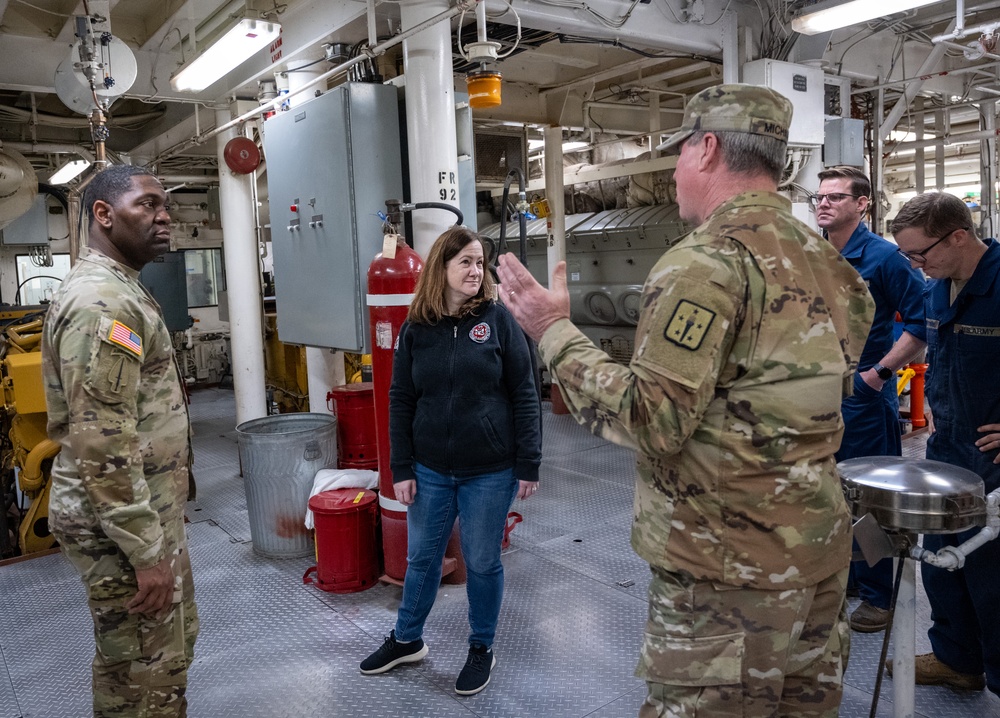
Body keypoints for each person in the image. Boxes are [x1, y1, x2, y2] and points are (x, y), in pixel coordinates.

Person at [498, 84, 875, 717]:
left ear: (705, 150)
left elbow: (652, 419)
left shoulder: (704, 263)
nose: (672, 171)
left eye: (676, 155)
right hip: (817, 555)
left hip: (726, 575)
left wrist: (551, 331)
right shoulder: (831, 265)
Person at [41, 164, 198, 717]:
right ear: (103, 214)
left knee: (150, 658)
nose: (164, 217)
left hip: (142, 514)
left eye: (165, 206)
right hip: (123, 525)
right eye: (148, 205)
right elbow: (102, 440)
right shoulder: (102, 304)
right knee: (144, 672)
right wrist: (146, 553)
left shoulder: (119, 290)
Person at [359, 227, 541, 696]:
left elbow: (524, 393)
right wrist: (401, 467)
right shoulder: (417, 329)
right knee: (421, 559)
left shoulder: (498, 321)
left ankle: (481, 646)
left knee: (481, 562)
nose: (475, 271)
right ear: (442, 267)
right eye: (465, 262)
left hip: (491, 470)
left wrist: (528, 463)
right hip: (430, 470)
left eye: (480, 263)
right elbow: (400, 399)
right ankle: (406, 640)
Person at [887, 191, 1000, 694]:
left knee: (992, 577)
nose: (916, 265)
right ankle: (958, 659)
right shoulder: (937, 285)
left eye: (921, 254)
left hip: (993, 455)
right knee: (941, 560)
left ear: (958, 236)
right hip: (947, 446)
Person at [814, 165, 927, 632]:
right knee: (830, 492)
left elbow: (922, 324)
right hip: (817, 392)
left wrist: (879, 375)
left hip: (862, 395)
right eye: (819, 197)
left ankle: (880, 594)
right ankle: (851, 578)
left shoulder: (884, 257)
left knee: (870, 496)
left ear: (862, 204)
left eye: (836, 197)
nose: (823, 204)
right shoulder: (811, 253)